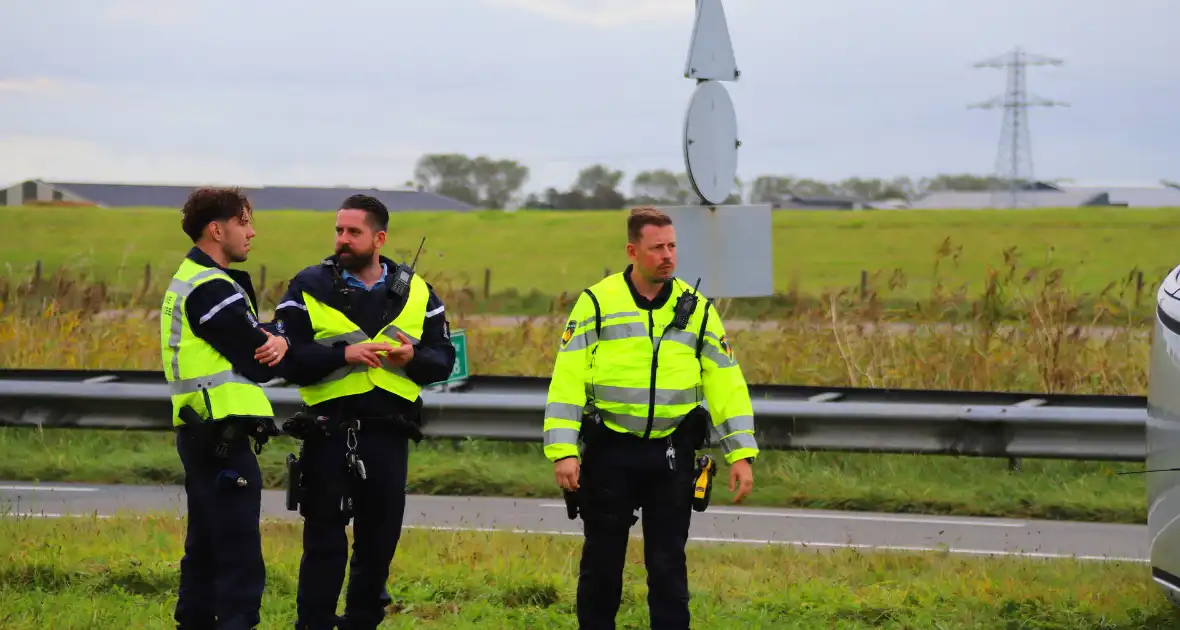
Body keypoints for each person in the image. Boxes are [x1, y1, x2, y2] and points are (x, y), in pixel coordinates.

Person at [543, 206, 759, 630]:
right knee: (601, 567)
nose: (668, 256)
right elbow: (566, 379)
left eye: (672, 246)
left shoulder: (695, 308)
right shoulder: (597, 303)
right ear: (632, 250)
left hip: (671, 452)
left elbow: (725, 381)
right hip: (611, 451)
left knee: (667, 567)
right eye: (657, 247)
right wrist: (564, 449)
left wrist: (741, 452)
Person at [272, 194, 456, 630]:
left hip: (389, 436)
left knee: (378, 544)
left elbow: (444, 362)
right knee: (324, 544)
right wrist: (345, 354)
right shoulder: (308, 285)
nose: (342, 240)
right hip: (328, 434)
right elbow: (285, 360)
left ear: (379, 238)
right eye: (339, 230)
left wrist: (412, 357)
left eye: (353, 232)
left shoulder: (417, 291)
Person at [161, 187, 290, 630]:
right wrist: (278, 340)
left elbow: (251, 339)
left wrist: (269, 336)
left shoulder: (197, 279)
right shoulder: (211, 287)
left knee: (207, 545)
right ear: (217, 229)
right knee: (237, 553)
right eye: (245, 222)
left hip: (204, 431)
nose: (252, 233)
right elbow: (259, 362)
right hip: (219, 435)